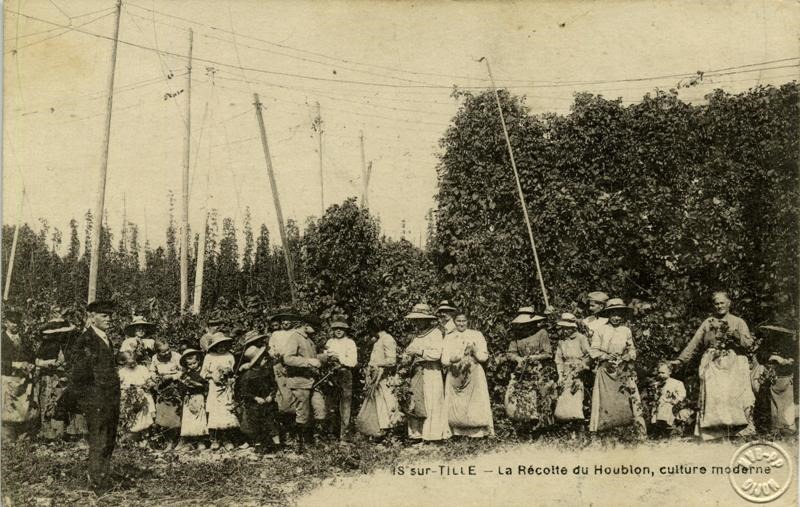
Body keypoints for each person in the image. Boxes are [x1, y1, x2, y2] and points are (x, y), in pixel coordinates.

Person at [671, 291, 755, 440]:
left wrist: (737, 337)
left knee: (733, 396)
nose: (719, 306)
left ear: (729, 303)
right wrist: (680, 360)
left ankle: (738, 430)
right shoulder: (708, 322)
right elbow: (694, 343)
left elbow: (749, 344)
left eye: (722, 303)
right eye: (716, 303)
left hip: (733, 365)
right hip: (713, 364)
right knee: (714, 396)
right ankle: (714, 432)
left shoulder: (738, 322)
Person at [68, 300, 120, 491]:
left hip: (110, 398)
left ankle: (103, 477)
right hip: (97, 398)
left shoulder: (104, 338)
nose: (109, 319)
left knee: (109, 438)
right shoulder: (86, 340)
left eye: (110, 315)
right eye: (104, 316)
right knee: (99, 439)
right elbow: (80, 372)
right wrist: (90, 397)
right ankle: (97, 483)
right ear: (92, 317)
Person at [589, 299, 646, 436]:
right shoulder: (601, 330)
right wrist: (606, 356)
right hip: (606, 369)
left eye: (619, 315)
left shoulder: (626, 330)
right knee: (605, 398)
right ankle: (603, 430)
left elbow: (632, 349)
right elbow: (593, 351)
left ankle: (634, 429)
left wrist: (628, 356)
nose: (616, 318)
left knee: (629, 396)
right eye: (613, 314)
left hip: (623, 368)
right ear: (608, 315)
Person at [401, 303, 451, 442]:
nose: (418, 322)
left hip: (431, 371)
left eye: (420, 319)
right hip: (417, 371)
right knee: (416, 400)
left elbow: (436, 354)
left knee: (431, 400)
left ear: (427, 319)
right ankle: (417, 434)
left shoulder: (435, 333)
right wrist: (406, 357)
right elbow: (409, 351)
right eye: (416, 320)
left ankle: (433, 435)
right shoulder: (417, 336)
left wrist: (419, 352)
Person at [503, 309, 557, 430]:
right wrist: (518, 358)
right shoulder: (517, 335)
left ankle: (541, 426)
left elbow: (548, 353)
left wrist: (534, 357)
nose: (525, 326)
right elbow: (510, 353)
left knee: (540, 395)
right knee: (520, 395)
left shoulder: (541, 333)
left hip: (539, 369)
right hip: (522, 369)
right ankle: (524, 424)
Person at [441, 313, 494, 438]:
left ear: (468, 321)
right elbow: (444, 359)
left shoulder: (476, 335)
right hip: (455, 374)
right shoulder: (449, 337)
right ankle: (457, 431)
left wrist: (475, 351)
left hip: (474, 373)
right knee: (457, 402)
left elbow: (484, 357)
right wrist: (452, 359)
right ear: (454, 322)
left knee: (475, 401)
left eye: (463, 321)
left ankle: (477, 432)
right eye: (458, 321)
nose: (461, 324)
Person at [283, 314, 327, 452]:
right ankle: (300, 444)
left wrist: (324, 357)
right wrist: (308, 362)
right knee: (303, 414)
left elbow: (312, 358)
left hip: (313, 381)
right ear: (306, 325)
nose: (317, 330)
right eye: (315, 327)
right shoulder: (295, 337)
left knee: (320, 410)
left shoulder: (309, 339)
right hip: (300, 382)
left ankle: (316, 439)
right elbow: (288, 359)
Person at [235, 331, 280, 454]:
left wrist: (271, 395)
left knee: (271, 422)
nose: (266, 359)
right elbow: (244, 392)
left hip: (267, 401)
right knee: (255, 424)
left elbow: (274, 385)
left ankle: (277, 445)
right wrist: (255, 398)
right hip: (254, 404)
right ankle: (258, 445)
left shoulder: (266, 372)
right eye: (262, 358)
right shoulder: (247, 376)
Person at [356, 319, 403, 437]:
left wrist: (377, 365)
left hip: (384, 377)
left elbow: (391, 360)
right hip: (377, 377)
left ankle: (392, 430)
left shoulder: (387, 339)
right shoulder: (379, 340)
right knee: (380, 404)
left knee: (388, 402)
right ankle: (383, 430)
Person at [35, 317, 77, 440]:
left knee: (62, 403)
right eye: (58, 333)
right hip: (49, 377)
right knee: (49, 403)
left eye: (63, 333)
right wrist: (49, 363)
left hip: (64, 378)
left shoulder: (69, 345)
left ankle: (62, 432)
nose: (60, 335)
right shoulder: (47, 345)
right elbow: (37, 361)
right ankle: (48, 433)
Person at [751, 324, 797, 433]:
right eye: (773, 332)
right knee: (768, 403)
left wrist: (787, 361)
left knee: (786, 404)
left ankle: (786, 426)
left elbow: (794, 358)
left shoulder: (790, 344)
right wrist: (773, 357)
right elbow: (761, 356)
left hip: (785, 376)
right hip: (770, 377)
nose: (775, 334)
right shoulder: (767, 343)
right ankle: (771, 427)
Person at [200, 332, 239, 450]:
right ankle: (215, 439)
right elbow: (203, 373)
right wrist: (213, 376)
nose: (222, 348)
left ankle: (226, 439)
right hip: (214, 387)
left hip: (226, 387)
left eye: (224, 345)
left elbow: (233, 371)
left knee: (226, 412)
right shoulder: (209, 356)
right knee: (214, 413)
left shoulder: (229, 356)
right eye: (219, 346)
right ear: (214, 346)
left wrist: (229, 374)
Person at [1, 309, 35, 441]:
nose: (15, 325)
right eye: (12, 322)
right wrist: (16, 364)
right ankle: (7, 438)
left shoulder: (24, 339)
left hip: (23, 380)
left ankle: (23, 437)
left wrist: (31, 364)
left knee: (23, 408)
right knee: (8, 409)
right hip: (7, 378)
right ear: (6, 323)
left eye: (17, 322)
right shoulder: (2, 339)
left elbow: (31, 356)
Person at [322, 318, 358, 440]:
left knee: (345, 404)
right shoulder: (330, 342)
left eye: (341, 329)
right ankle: (331, 433)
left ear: (345, 330)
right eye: (336, 328)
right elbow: (325, 357)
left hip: (344, 373)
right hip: (331, 374)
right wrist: (328, 359)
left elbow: (353, 362)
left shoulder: (350, 343)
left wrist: (339, 357)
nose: (338, 331)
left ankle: (344, 435)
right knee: (330, 404)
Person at [553, 316, 592, 423]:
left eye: (567, 328)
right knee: (564, 393)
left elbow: (589, 355)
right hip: (566, 371)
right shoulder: (562, 341)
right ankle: (566, 420)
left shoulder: (581, 338)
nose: (564, 331)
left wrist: (581, 366)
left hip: (579, 371)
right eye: (563, 328)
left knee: (576, 392)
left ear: (573, 328)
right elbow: (559, 359)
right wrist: (560, 375)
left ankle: (577, 420)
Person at [149, 339, 183, 449]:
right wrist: (154, 377)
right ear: (157, 352)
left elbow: (184, 371)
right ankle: (168, 440)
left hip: (175, 386)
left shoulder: (176, 356)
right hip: (162, 388)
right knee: (164, 415)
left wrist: (172, 376)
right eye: (163, 352)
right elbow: (152, 371)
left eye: (168, 349)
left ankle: (177, 440)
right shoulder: (155, 358)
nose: (167, 352)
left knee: (175, 414)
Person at [117, 350, 156, 443]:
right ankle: (132, 439)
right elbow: (119, 386)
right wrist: (127, 389)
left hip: (143, 395)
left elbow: (149, 381)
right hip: (129, 397)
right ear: (123, 363)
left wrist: (149, 384)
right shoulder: (121, 372)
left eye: (134, 362)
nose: (132, 365)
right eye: (129, 363)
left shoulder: (142, 369)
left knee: (145, 416)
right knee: (132, 417)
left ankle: (145, 438)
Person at [176, 349, 208, 451]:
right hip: (189, 398)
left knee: (199, 420)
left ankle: (200, 441)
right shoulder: (185, 374)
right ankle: (189, 442)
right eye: (190, 364)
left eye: (195, 363)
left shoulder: (202, 373)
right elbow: (181, 386)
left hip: (199, 397)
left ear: (198, 361)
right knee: (189, 420)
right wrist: (185, 393)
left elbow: (205, 385)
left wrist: (197, 384)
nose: (193, 366)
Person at [650, 362, 686, 438]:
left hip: (672, 404)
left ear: (669, 372)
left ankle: (668, 431)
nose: (660, 375)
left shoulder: (676, 383)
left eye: (663, 373)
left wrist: (676, 400)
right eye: (659, 373)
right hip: (660, 404)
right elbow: (655, 396)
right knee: (657, 410)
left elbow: (682, 394)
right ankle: (660, 431)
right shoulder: (657, 384)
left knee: (666, 409)